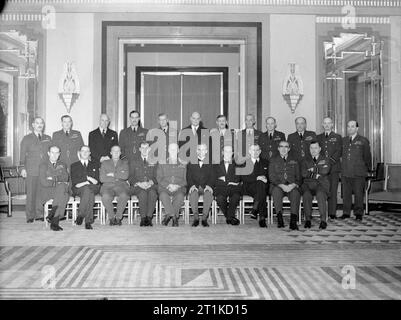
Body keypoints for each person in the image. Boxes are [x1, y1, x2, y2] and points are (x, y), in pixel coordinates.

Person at [19, 117, 52, 223]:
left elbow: (50, 154)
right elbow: (22, 155)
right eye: (37, 123)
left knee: (40, 193)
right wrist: (23, 168)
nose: (39, 125)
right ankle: (30, 215)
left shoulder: (48, 137)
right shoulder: (27, 138)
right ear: (33, 125)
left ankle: (39, 214)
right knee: (31, 193)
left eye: (41, 123)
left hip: (44, 170)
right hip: (31, 170)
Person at [341, 120, 372, 221]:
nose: (350, 128)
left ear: (357, 128)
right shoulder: (343, 140)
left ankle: (358, 213)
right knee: (346, 194)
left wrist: (366, 169)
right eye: (348, 126)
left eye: (352, 126)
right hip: (346, 172)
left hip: (358, 172)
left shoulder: (363, 140)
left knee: (359, 194)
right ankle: (346, 213)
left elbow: (367, 157)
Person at [269, 140, 301, 230]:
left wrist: (293, 185)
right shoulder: (273, 160)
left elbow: (299, 177)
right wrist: (282, 185)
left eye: (286, 147)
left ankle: (293, 221)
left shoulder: (294, 160)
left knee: (295, 194)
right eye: (281, 146)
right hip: (278, 185)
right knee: (276, 192)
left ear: (289, 149)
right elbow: (271, 176)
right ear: (278, 148)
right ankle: (280, 219)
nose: (283, 149)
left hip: (291, 185)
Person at [38, 145, 70, 231]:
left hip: (59, 190)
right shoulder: (43, 165)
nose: (55, 155)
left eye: (57, 153)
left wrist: (52, 178)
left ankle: (53, 215)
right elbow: (43, 182)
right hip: (48, 192)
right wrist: (58, 180)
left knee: (62, 187)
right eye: (52, 152)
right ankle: (55, 219)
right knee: (64, 194)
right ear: (48, 153)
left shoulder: (63, 164)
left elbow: (66, 178)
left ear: (59, 154)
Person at [300, 140, 331, 229]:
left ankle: (323, 220)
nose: (313, 150)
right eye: (311, 148)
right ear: (309, 149)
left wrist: (311, 170)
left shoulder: (325, 159)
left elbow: (325, 171)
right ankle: (308, 220)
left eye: (315, 148)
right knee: (306, 195)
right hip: (308, 184)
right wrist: (316, 174)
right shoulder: (305, 160)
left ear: (320, 149)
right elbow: (303, 173)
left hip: (321, 184)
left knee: (320, 195)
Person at [317, 117, 342, 219]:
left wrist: (329, 162)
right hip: (321, 169)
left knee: (332, 190)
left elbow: (339, 151)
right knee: (322, 190)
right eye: (325, 123)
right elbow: (316, 151)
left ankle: (332, 213)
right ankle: (322, 212)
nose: (327, 125)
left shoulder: (337, 137)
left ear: (332, 124)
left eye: (329, 123)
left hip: (333, 168)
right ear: (322, 125)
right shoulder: (318, 137)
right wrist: (322, 164)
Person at [157, 143, 187, 227]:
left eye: (175, 149)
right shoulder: (162, 162)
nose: (173, 151)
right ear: (168, 150)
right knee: (163, 195)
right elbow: (159, 178)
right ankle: (174, 217)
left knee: (180, 196)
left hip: (179, 188)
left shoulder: (183, 163)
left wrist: (177, 185)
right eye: (171, 149)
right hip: (165, 187)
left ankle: (168, 216)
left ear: (178, 151)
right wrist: (168, 185)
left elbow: (185, 179)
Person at [70, 145, 100, 230]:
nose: (85, 152)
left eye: (87, 151)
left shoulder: (95, 164)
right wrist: (87, 181)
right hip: (79, 189)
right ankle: (88, 221)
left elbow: (97, 181)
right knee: (88, 192)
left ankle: (81, 214)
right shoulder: (74, 165)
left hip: (93, 187)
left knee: (88, 189)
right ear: (79, 152)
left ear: (90, 153)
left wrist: (88, 178)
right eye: (83, 151)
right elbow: (76, 183)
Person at [129, 142, 158, 227]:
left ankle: (149, 218)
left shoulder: (155, 160)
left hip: (151, 185)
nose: (144, 150)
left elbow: (158, 176)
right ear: (139, 149)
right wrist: (139, 183)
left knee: (153, 194)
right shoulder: (134, 161)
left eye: (146, 148)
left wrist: (150, 182)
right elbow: (130, 176)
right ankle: (143, 218)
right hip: (138, 186)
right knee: (142, 194)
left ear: (149, 149)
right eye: (142, 148)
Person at [99, 145, 130, 226]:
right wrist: (118, 176)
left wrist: (112, 174)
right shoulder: (105, 163)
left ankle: (119, 218)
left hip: (121, 186)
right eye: (114, 151)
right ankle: (112, 217)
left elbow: (125, 176)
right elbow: (102, 178)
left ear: (120, 153)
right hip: (107, 186)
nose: (116, 153)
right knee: (105, 197)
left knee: (124, 196)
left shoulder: (124, 163)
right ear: (110, 153)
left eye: (118, 151)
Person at [241, 144, 269, 228]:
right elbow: (244, 177)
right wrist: (257, 178)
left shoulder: (266, 162)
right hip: (248, 187)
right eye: (253, 150)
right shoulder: (244, 162)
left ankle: (255, 209)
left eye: (257, 150)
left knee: (260, 186)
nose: (255, 152)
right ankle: (261, 216)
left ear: (260, 151)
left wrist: (266, 179)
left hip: (262, 186)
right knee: (261, 187)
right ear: (249, 151)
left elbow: (269, 175)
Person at [186, 144, 214, 227]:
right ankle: (196, 218)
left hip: (206, 186)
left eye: (203, 149)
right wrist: (191, 185)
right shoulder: (191, 162)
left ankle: (204, 218)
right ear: (196, 151)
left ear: (206, 151)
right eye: (199, 149)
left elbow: (213, 176)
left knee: (209, 194)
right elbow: (188, 176)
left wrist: (209, 185)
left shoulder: (211, 162)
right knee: (193, 194)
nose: (201, 151)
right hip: (195, 186)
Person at [213, 145, 241, 225]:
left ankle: (229, 217)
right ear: (222, 153)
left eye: (230, 151)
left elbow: (237, 178)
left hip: (234, 188)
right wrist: (229, 180)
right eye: (226, 151)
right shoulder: (216, 165)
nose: (228, 153)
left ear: (232, 153)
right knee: (220, 198)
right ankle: (230, 217)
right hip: (221, 188)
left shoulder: (237, 164)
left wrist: (224, 179)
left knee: (236, 196)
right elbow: (215, 180)